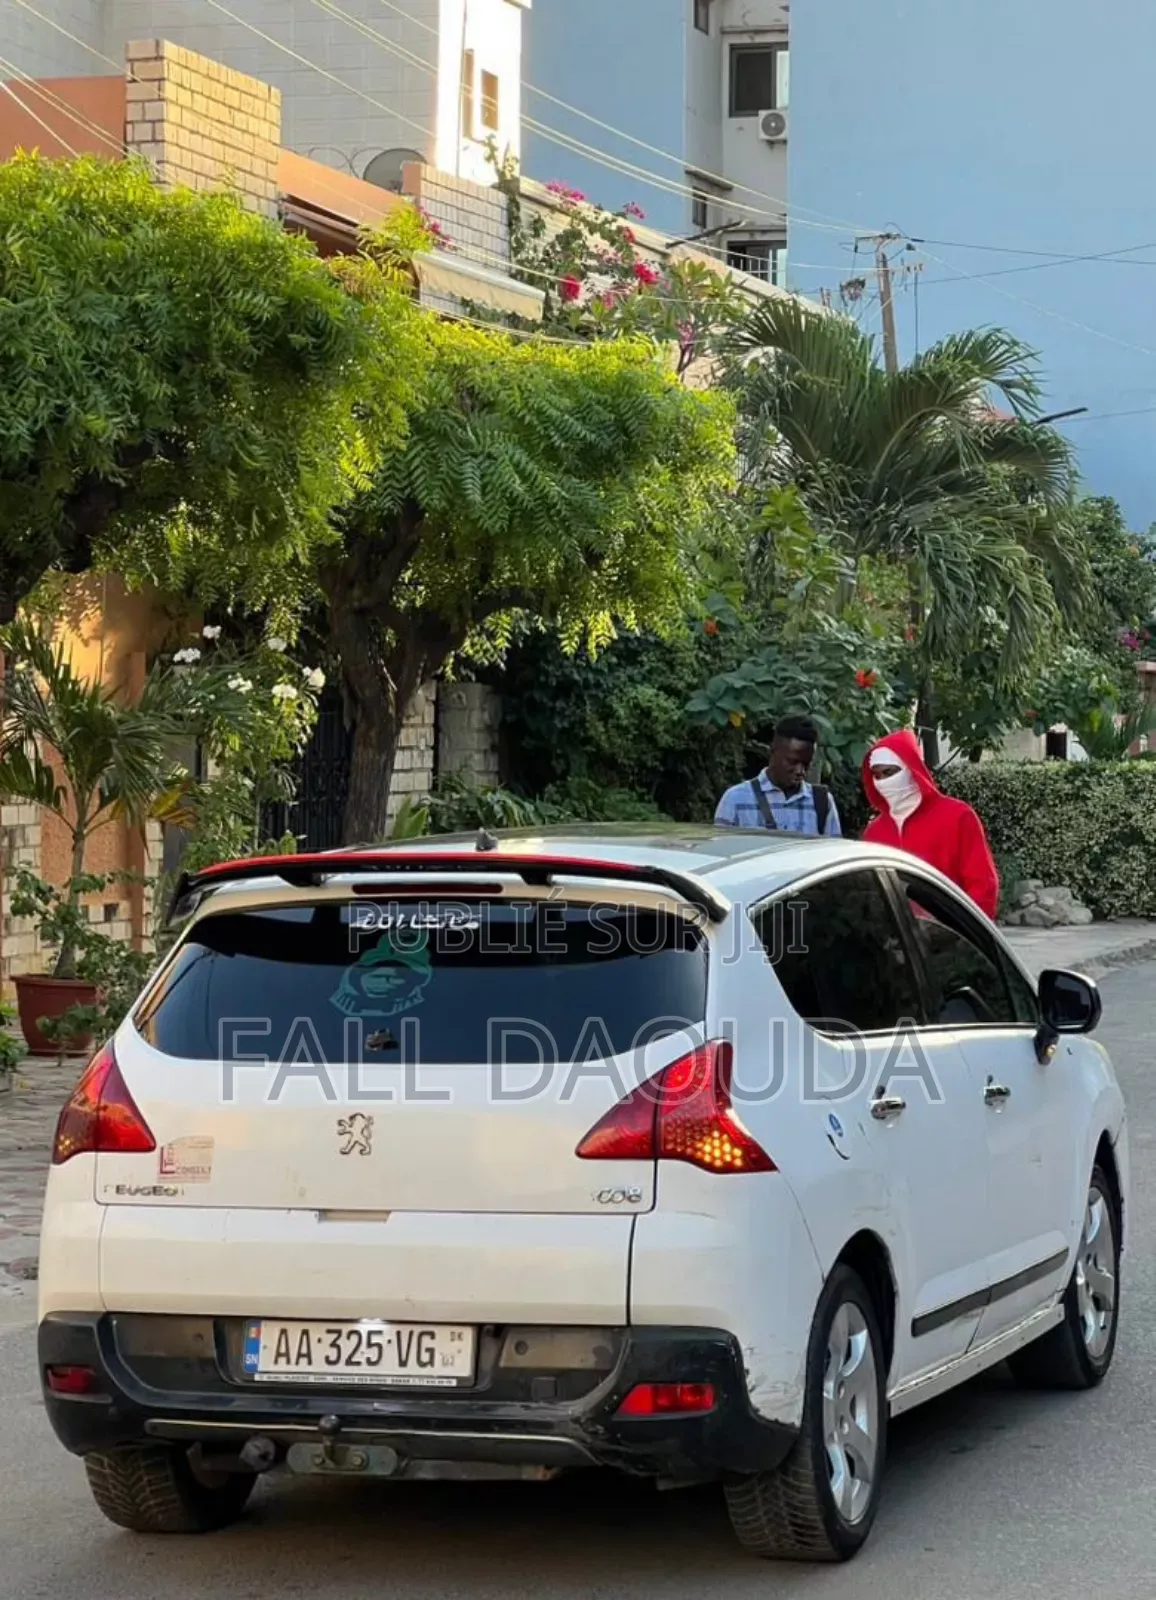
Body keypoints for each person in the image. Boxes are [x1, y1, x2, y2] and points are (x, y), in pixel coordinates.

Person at [862, 729, 1000, 918]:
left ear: (911, 768)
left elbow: (983, 886)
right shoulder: (874, 832)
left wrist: (962, 934)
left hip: (952, 937)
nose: (883, 782)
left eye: (889, 772)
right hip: (896, 942)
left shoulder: (957, 816)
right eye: (877, 775)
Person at [714, 715, 842, 837]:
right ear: (773, 751)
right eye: (793, 762)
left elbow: (833, 854)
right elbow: (720, 853)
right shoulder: (735, 800)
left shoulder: (823, 803)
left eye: (806, 764)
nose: (800, 771)